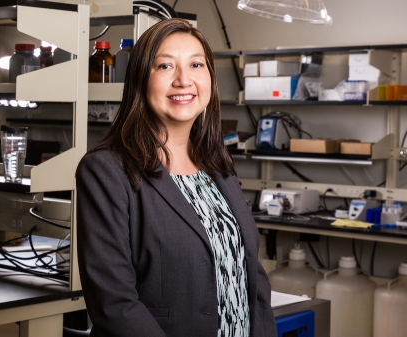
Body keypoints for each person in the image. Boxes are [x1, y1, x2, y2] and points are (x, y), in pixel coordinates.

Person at [75, 18, 277, 337]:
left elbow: (251, 275)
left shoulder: (217, 163)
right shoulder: (106, 170)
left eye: (196, 64)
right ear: (142, 78)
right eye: (166, 66)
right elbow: (114, 305)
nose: (184, 80)